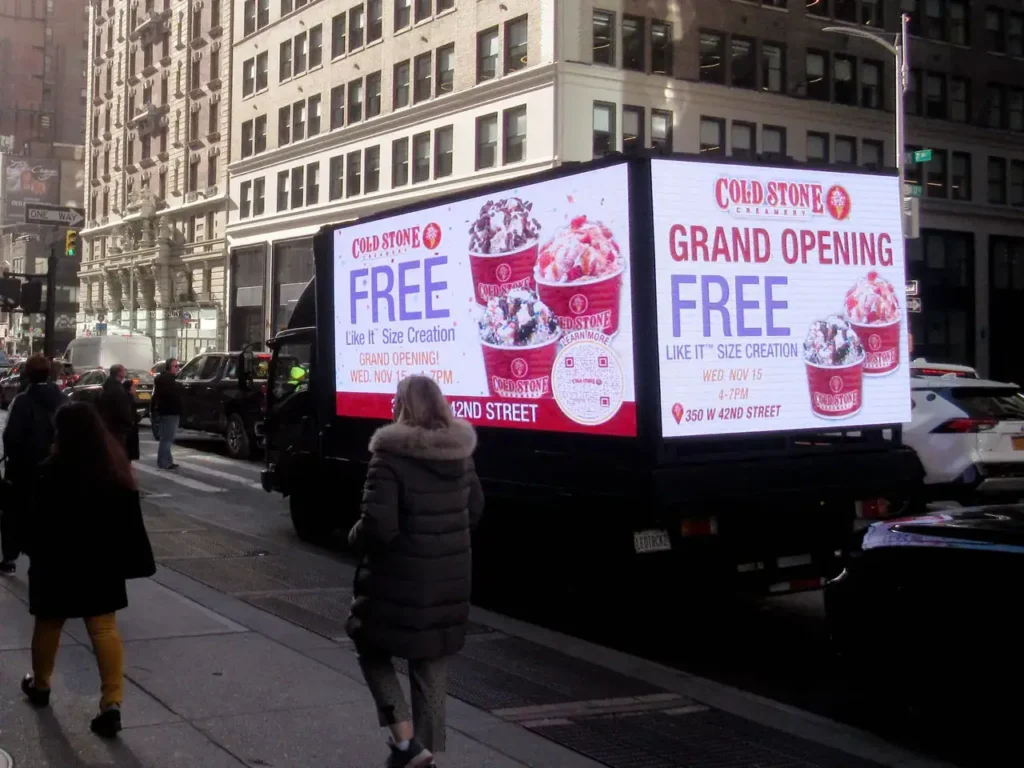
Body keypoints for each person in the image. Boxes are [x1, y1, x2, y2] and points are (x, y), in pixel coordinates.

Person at [347, 375, 484, 768]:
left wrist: (354, 537)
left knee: (370, 648)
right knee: (431, 662)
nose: (391, 405)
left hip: (398, 580)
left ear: (403, 406)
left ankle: (407, 744)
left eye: (395, 399)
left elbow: (379, 527)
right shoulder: (461, 455)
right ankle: (427, 754)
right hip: (450, 580)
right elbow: (475, 510)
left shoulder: (389, 457)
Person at [20, 402, 155, 738]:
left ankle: (41, 685)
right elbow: (130, 524)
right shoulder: (115, 472)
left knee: (48, 623)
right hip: (101, 563)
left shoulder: (48, 472)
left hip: (57, 564)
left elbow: (33, 522)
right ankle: (112, 703)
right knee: (104, 628)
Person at [0, 354, 64, 573]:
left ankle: (10, 558)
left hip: (24, 469)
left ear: (27, 374)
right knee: (48, 514)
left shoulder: (22, 401)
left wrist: (14, 458)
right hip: (54, 467)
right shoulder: (62, 399)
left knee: (13, 514)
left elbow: (10, 436)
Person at [98, 365, 136, 459]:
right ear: (119, 373)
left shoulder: (107, 386)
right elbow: (122, 408)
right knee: (118, 453)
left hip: (108, 424)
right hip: (118, 426)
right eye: (123, 371)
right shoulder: (117, 389)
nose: (125, 373)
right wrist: (130, 421)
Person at [151, 358, 181, 470]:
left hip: (166, 411)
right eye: (175, 366)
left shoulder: (164, 379)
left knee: (167, 437)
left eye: (178, 366)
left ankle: (168, 460)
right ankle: (163, 462)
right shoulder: (169, 381)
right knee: (167, 438)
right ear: (169, 367)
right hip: (170, 411)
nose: (177, 368)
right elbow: (171, 396)